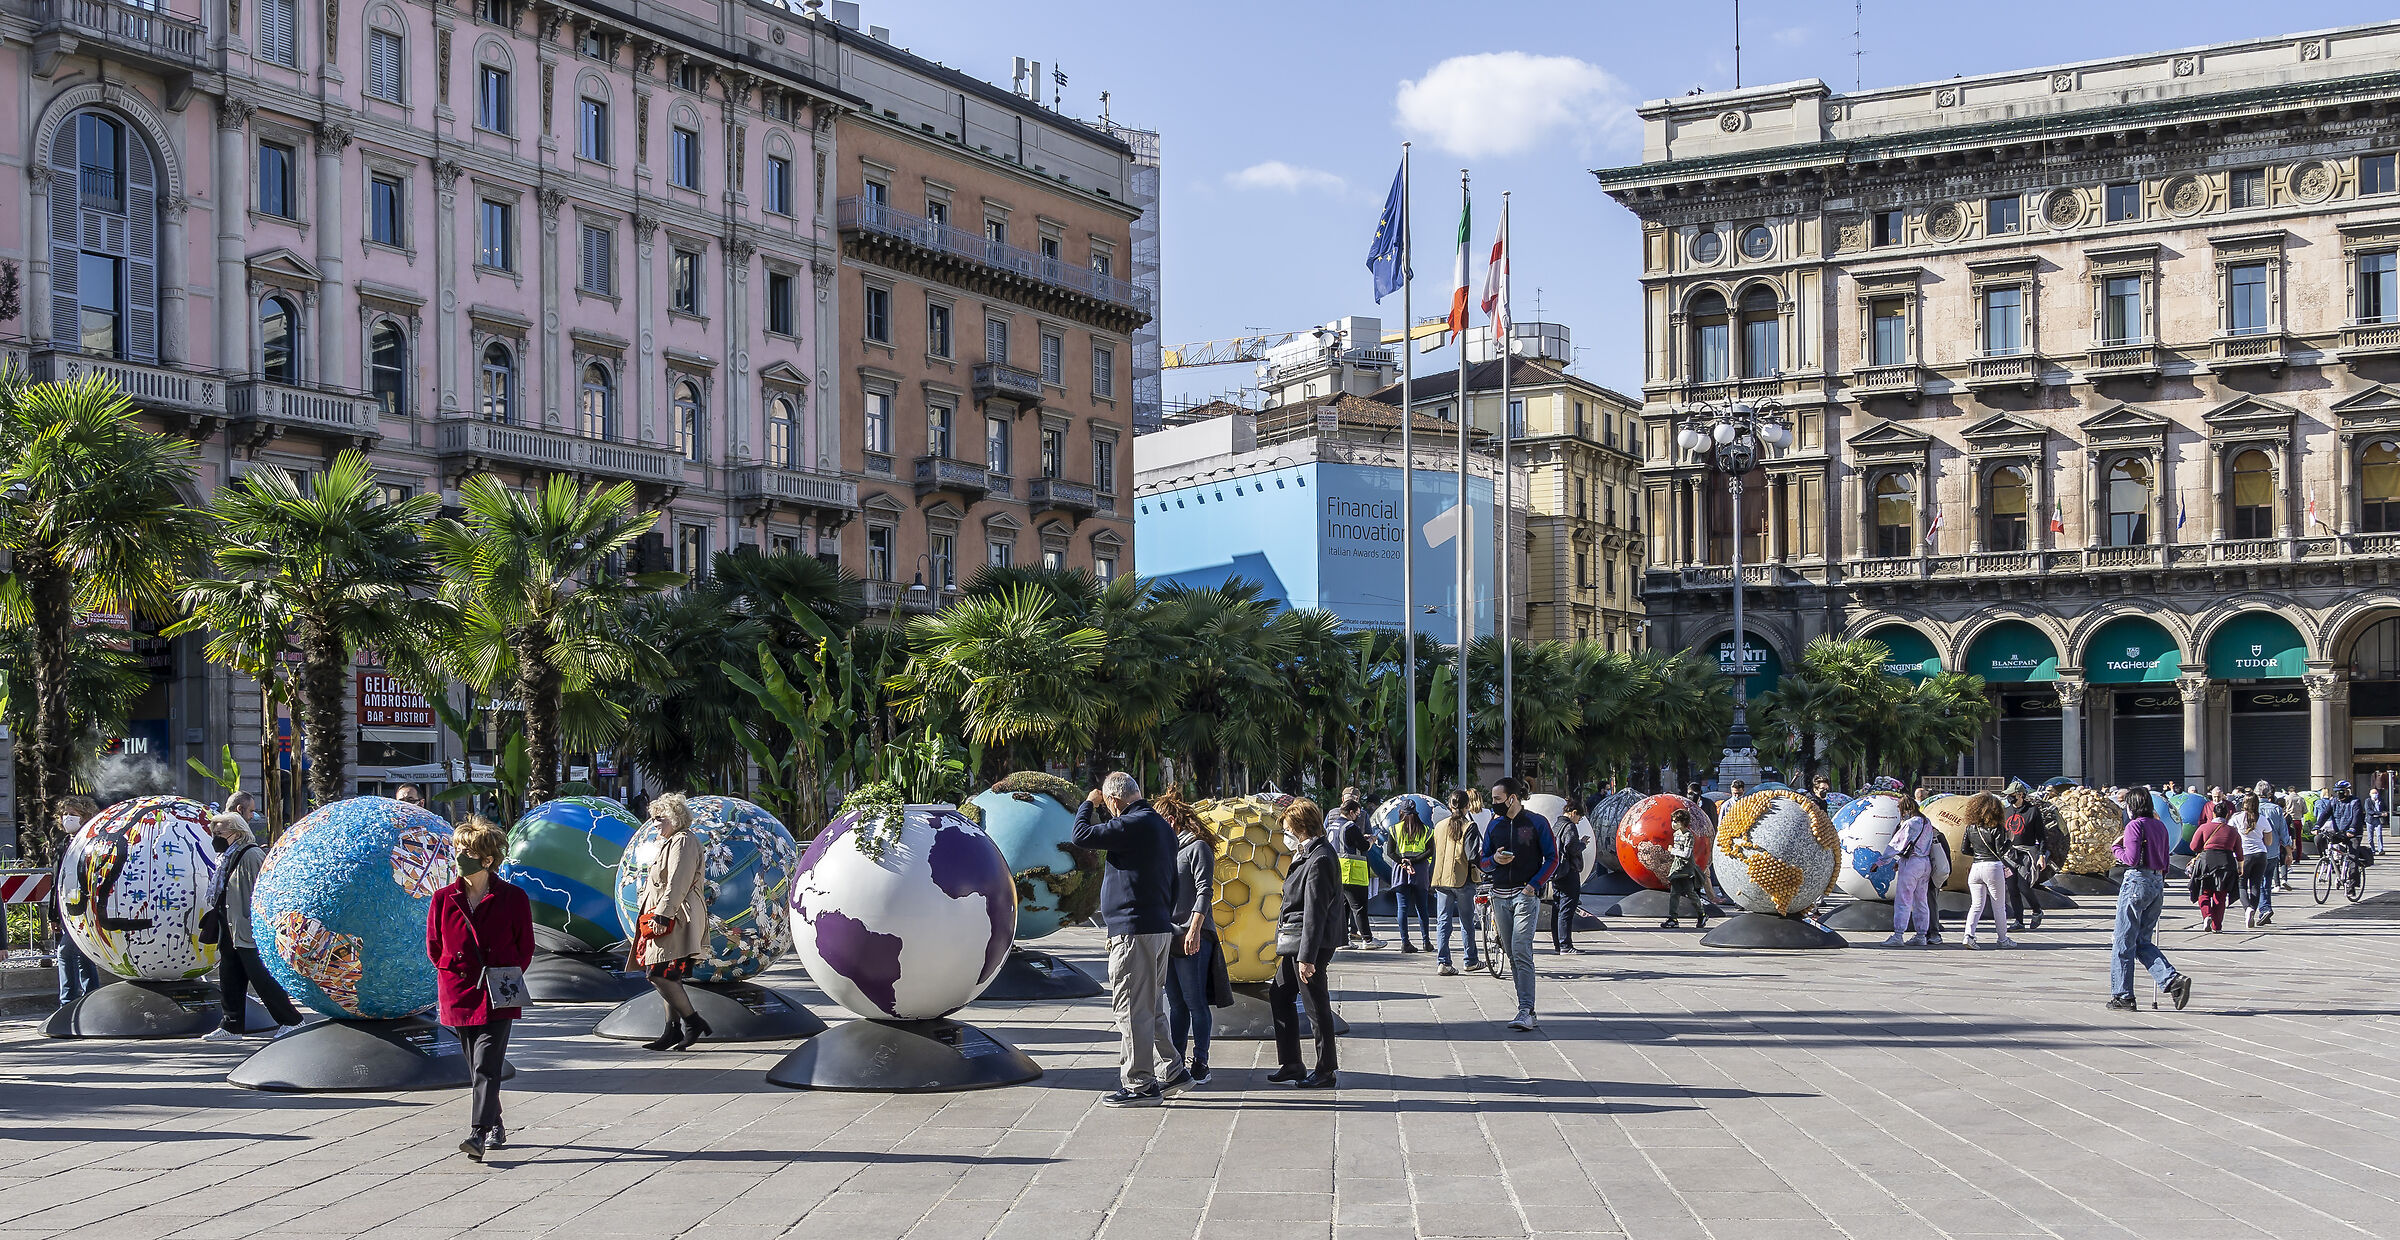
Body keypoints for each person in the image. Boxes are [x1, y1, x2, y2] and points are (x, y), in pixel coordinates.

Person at [1072, 771, 1185, 1107]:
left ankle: (1139, 1083)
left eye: (1107, 804)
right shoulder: (1162, 827)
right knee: (1149, 1006)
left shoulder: (1132, 823)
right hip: (1157, 926)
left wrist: (1087, 805)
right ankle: (1173, 1068)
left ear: (1114, 800)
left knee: (1129, 1009)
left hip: (1134, 930)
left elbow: (1081, 835)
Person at [426, 816, 534, 1161]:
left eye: (465, 851)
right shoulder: (443, 899)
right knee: (477, 1066)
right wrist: (451, 971)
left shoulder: (513, 898)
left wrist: (504, 974)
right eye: (457, 849)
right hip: (458, 990)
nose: (457, 857)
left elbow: (526, 947)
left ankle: (478, 1133)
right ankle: (497, 1120)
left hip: (498, 991)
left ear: (487, 860)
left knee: (487, 1063)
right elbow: (434, 946)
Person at [199, 812, 304, 1041]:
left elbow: (263, 890)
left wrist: (257, 921)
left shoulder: (251, 854)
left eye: (220, 833)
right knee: (230, 976)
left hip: (248, 928)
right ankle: (232, 1025)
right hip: (230, 925)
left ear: (236, 833)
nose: (215, 837)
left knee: (261, 977)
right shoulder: (226, 856)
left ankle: (291, 1020)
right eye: (214, 833)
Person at [1268, 798, 1343, 1088]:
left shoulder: (1320, 858)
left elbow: (1316, 911)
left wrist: (1307, 957)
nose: (1285, 835)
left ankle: (1325, 1070)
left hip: (1310, 944)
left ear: (1301, 827)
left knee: (1315, 1005)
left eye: (1288, 829)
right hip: (1296, 941)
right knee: (1279, 994)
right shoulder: (1308, 853)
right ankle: (1292, 1063)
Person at [1157, 788, 1229, 1086]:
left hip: (1193, 935)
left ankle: (1201, 1060)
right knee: (1175, 1003)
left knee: (1194, 1001)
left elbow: (1205, 892)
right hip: (1169, 935)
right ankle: (1177, 1061)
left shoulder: (1196, 848)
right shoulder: (1165, 850)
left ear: (1172, 820)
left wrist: (1196, 928)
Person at [631, 793, 712, 1051]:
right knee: (666, 974)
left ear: (676, 818)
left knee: (658, 974)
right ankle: (672, 1030)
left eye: (659, 817)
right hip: (668, 916)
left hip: (675, 918)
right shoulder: (671, 842)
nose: (654, 823)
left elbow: (678, 880)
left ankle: (692, 1022)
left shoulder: (683, 841)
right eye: (652, 818)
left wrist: (662, 914)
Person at [1478, 778, 1557, 1032]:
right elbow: (1482, 860)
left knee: (1521, 948)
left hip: (1525, 894)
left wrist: (1534, 885)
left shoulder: (1536, 822)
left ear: (1512, 798)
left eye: (1498, 799)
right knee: (1512, 952)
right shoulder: (1494, 825)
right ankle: (1526, 1008)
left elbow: (1552, 857)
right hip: (1499, 895)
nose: (1494, 804)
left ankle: (1526, 1009)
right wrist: (1494, 861)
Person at [2108, 788, 2191, 1012]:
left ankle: (2123, 995)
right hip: (2156, 883)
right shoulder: (2160, 826)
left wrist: (2116, 849)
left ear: (2131, 806)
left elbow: (2131, 859)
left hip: (2136, 882)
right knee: (2142, 941)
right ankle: (2172, 980)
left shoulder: (2135, 825)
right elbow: (2165, 860)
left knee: (2123, 941)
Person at [50, 796, 102, 1010]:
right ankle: (90, 1000)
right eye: (65, 814)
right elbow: (56, 881)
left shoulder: (92, 842)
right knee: (83, 955)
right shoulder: (62, 844)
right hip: (66, 906)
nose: (67, 818)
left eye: (74, 814)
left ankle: (68, 1003)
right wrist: (54, 915)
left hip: (85, 907)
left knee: (66, 952)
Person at [1430, 790, 1481, 977]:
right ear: (1468, 806)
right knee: (1467, 921)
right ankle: (1471, 960)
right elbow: (1473, 855)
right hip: (1463, 880)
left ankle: (1443, 962)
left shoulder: (1439, 825)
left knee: (1443, 921)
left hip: (1441, 879)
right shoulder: (1469, 826)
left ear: (1449, 805)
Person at [1876, 795, 1938, 947]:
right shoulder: (1926, 822)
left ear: (1905, 809)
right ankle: (1921, 934)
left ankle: (1898, 935)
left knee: (1904, 899)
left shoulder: (1910, 824)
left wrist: (1881, 861)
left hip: (1911, 864)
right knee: (1921, 900)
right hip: (1925, 863)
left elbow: (1897, 844)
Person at [1960, 795, 2017, 949]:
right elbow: (2000, 852)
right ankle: (2002, 939)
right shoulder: (1997, 827)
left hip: (1976, 867)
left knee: (1976, 905)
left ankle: (1968, 935)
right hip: (1993, 867)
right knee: (1999, 906)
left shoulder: (1970, 827)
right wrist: (2010, 840)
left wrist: (1978, 855)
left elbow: (1964, 849)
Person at [1329, 790, 1382, 949]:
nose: (1358, 816)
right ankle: (1368, 939)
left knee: (1344, 907)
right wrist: (1371, 840)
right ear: (1351, 812)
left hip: (1338, 872)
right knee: (1359, 907)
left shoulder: (1333, 825)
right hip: (1353, 871)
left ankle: (1343, 940)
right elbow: (1363, 846)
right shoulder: (1350, 826)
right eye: (1357, 814)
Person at [1382, 801, 1434, 953]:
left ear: (1401, 812)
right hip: (1420, 869)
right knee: (1422, 907)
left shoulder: (1394, 829)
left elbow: (1391, 852)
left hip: (1401, 869)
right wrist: (1415, 861)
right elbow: (1430, 851)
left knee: (1402, 907)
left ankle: (1405, 942)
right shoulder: (1426, 829)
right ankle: (1427, 942)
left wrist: (1403, 862)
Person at [2188, 801, 2243, 934]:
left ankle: (2207, 915)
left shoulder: (2204, 828)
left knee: (2204, 892)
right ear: (2228, 814)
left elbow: (2194, 847)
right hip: (2226, 863)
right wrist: (2240, 866)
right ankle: (2216, 926)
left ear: (2213, 813)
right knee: (2220, 895)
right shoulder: (2233, 831)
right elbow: (2239, 852)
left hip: (2206, 862)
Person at [2002, 789, 2046, 934]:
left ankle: (2037, 910)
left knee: (2023, 885)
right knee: (2012, 887)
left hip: (2026, 853)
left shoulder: (2033, 811)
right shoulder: (2006, 811)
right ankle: (2018, 921)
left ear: (2020, 795)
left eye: (2012, 795)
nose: (2010, 798)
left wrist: (2041, 855)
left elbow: (2041, 836)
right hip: (2009, 854)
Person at [1659, 809, 1709, 931]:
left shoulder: (1688, 836)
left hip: (1686, 868)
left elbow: (1686, 853)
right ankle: (1673, 918)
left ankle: (1701, 914)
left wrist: (1672, 851)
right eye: (1672, 821)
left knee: (1690, 892)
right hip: (1677, 867)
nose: (1673, 824)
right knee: (1674, 893)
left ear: (1683, 822)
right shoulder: (1676, 835)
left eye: (1676, 821)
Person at [1550, 801, 1588, 954]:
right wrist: (1583, 844)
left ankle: (1558, 944)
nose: (1579, 820)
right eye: (1579, 817)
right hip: (1568, 872)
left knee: (1557, 907)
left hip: (1557, 872)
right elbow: (1572, 848)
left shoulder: (1557, 825)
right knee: (1567, 908)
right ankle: (1565, 944)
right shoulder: (1569, 827)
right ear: (1573, 813)